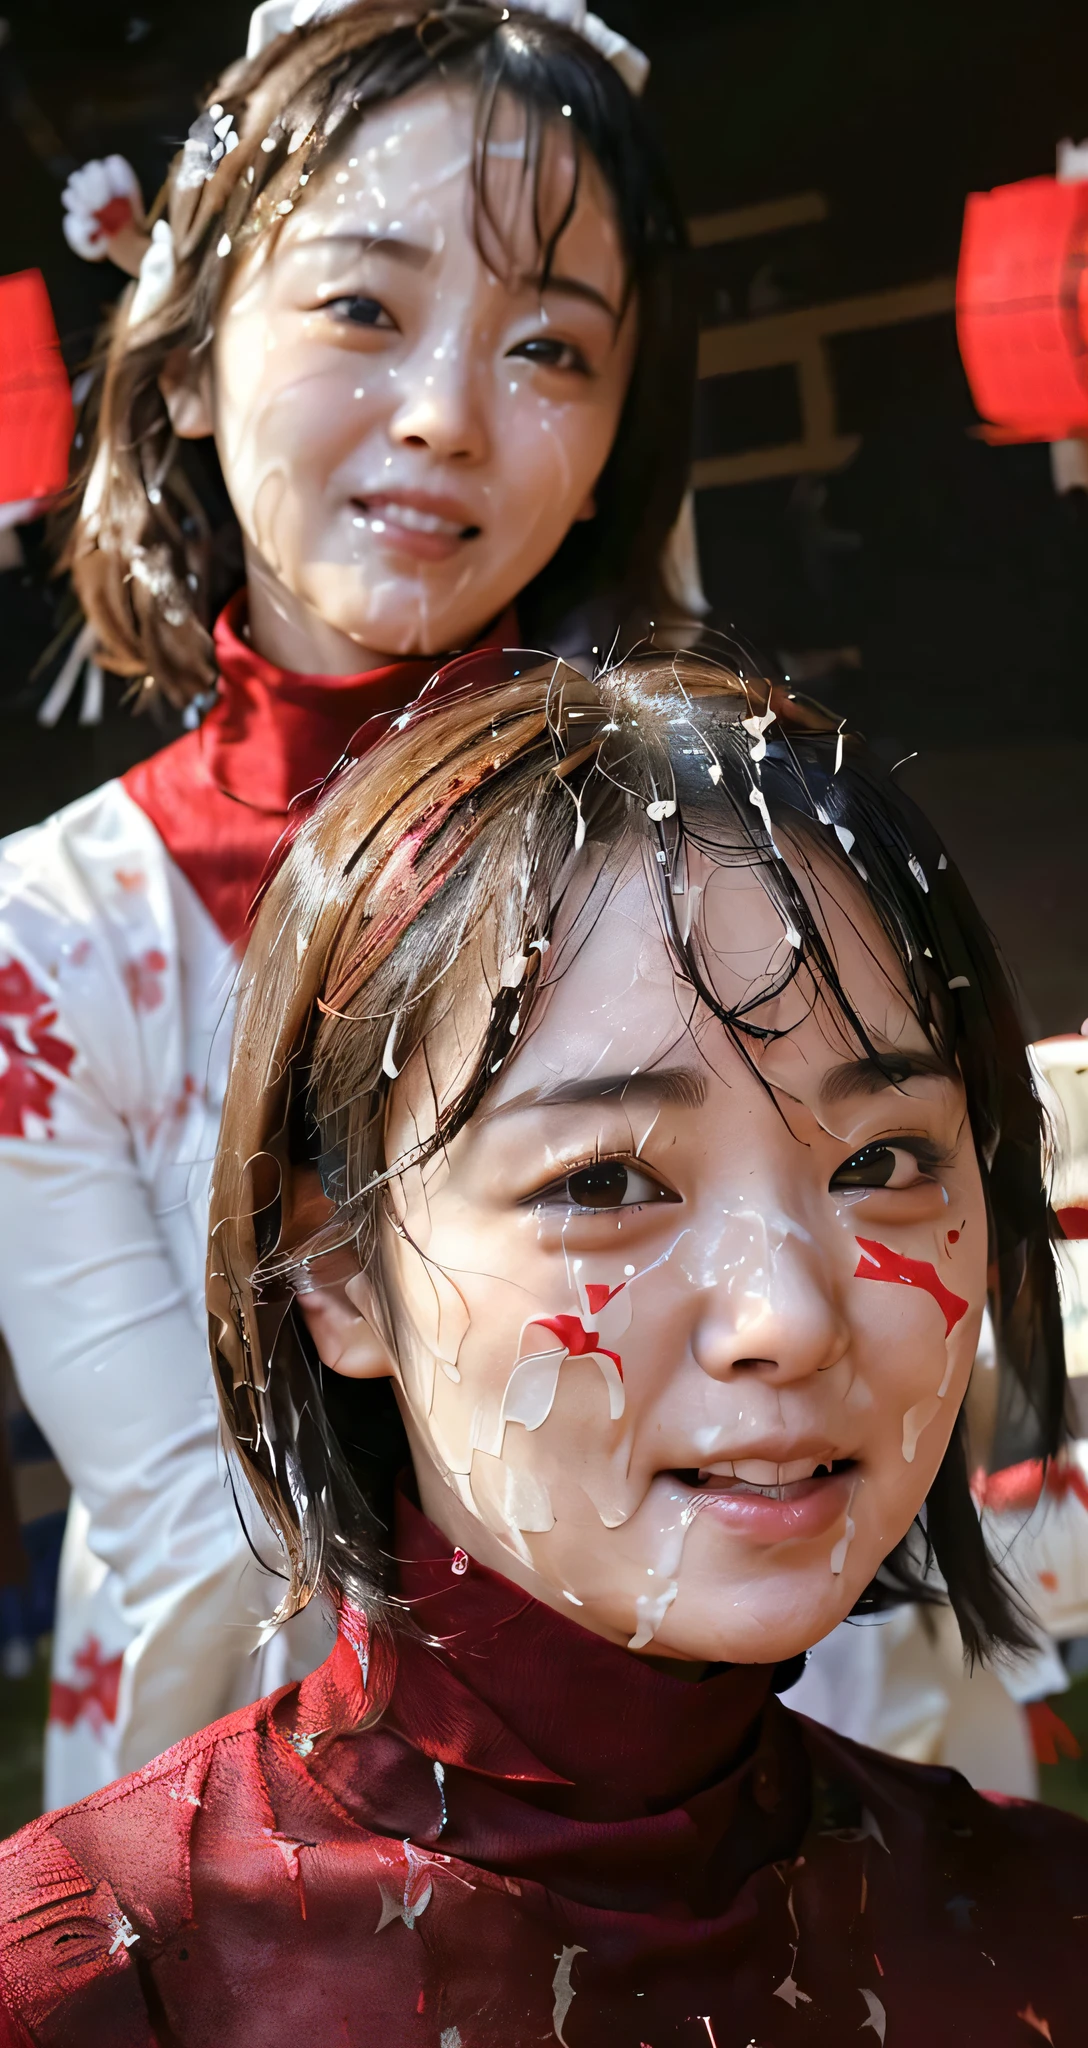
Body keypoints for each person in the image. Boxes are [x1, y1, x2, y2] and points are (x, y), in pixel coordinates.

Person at [1, 644, 1082, 2044]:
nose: (790, 1317)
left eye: (880, 1158)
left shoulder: (1045, 1939)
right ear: (338, 1274)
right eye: (607, 1184)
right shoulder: (92, 1991)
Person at [0, 0, 699, 1804]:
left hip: (713, 1732)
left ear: (625, 428)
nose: (450, 417)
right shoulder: (55, 939)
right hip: (267, 1785)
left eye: (551, 345)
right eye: (364, 306)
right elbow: (195, 1526)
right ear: (183, 362)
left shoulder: (712, 863)